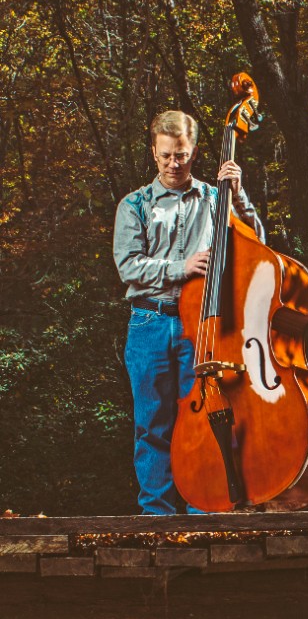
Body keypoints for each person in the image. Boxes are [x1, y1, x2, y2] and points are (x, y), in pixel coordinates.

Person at [113, 110, 264, 514]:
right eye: (165, 156)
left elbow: (256, 242)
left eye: (180, 155)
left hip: (199, 326)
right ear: (154, 152)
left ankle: (206, 509)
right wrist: (183, 267)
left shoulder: (217, 199)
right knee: (152, 425)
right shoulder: (134, 205)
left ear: (193, 151)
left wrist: (240, 193)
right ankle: (157, 516)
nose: (173, 164)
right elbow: (128, 266)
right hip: (148, 321)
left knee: (206, 421)